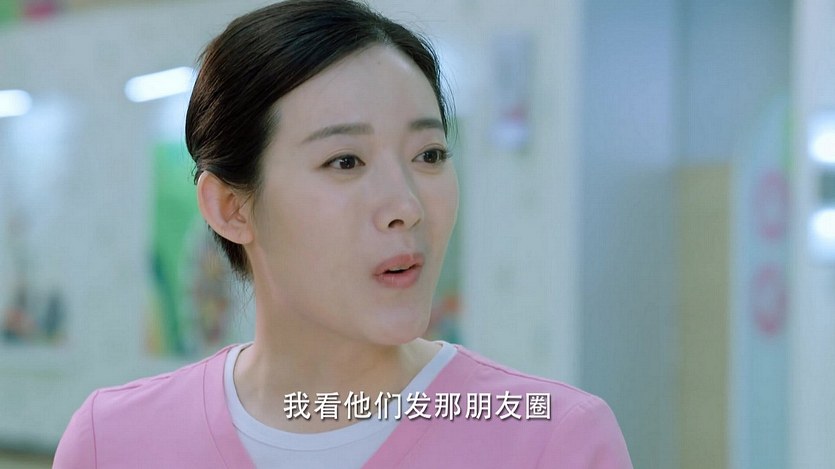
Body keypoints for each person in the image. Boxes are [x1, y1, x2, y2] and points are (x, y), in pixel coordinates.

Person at [53, 1, 632, 467]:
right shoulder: (112, 442)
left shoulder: (552, 440)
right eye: (345, 161)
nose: (406, 206)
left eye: (430, 154)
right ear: (230, 207)